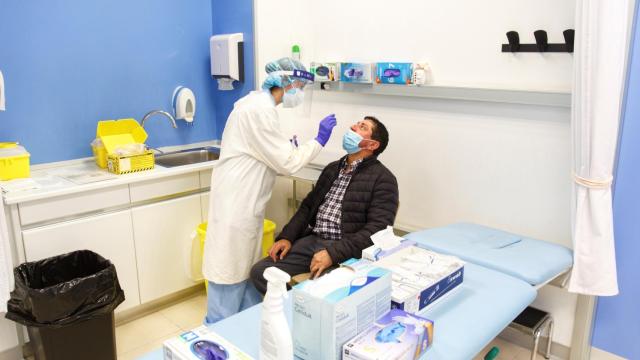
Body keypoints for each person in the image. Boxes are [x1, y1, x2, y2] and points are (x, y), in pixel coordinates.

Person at [203, 57, 337, 324]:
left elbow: (268, 155)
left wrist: (285, 148)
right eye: (299, 85)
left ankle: (243, 328)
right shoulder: (259, 111)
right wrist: (319, 140)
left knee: (243, 272)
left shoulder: (257, 107)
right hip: (236, 205)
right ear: (284, 83)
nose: (300, 92)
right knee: (229, 273)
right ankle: (218, 333)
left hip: (243, 203)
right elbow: (288, 163)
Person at [250, 116, 399, 294]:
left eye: (362, 127)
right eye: (356, 123)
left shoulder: (384, 179)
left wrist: (332, 254)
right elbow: (307, 207)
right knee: (262, 272)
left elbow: (377, 230)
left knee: (322, 292)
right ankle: (294, 307)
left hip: (345, 247)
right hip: (313, 239)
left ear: (372, 145)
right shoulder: (332, 168)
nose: (353, 126)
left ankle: (306, 305)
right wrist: (286, 237)